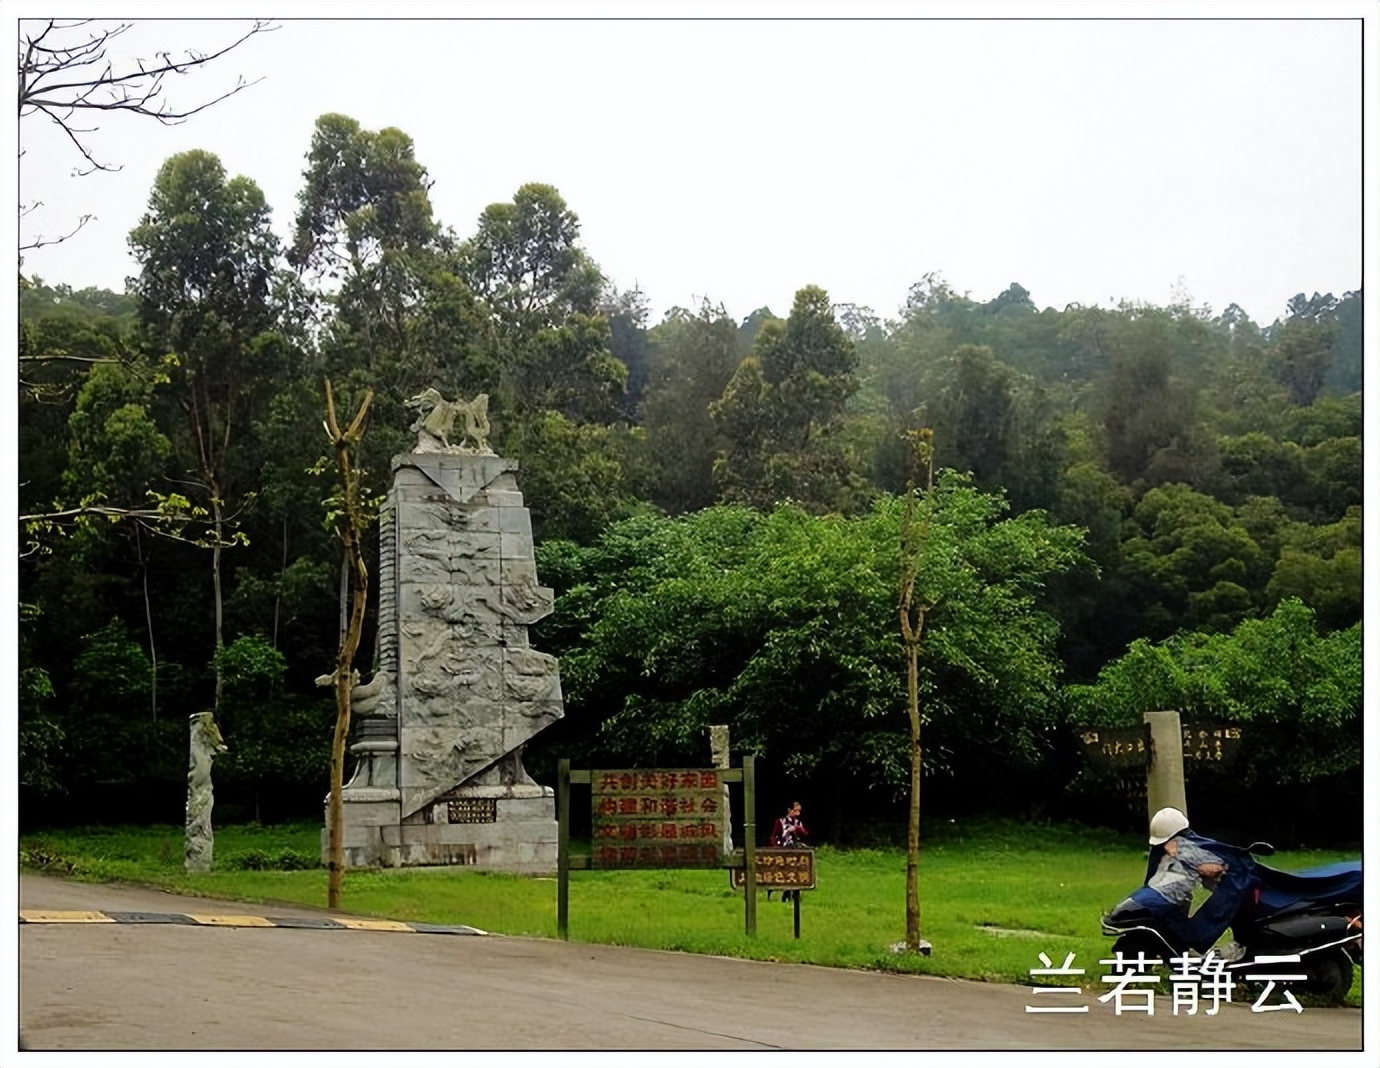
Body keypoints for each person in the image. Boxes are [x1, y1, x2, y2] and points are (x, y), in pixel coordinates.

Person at [1116, 807, 1236, 953]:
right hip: (1173, 901)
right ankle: (1181, 952)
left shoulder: (1169, 849)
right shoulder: (1185, 847)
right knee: (1183, 928)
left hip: (1167, 898)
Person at [768, 802, 809, 902]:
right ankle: (784, 893)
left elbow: (805, 834)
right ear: (789, 810)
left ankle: (794, 894)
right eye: (795, 811)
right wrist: (775, 848)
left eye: (799, 811)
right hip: (783, 850)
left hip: (796, 850)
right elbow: (773, 836)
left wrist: (796, 829)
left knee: (796, 872)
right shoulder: (780, 822)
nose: (797, 814)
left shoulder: (798, 823)